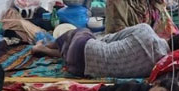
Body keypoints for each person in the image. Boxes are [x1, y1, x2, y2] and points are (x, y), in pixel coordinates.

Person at [32, 24, 171, 78]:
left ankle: (46, 46)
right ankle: (45, 50)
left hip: (82, 50)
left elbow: (110, 38)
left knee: (82, 32)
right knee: (75, 50)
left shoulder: (145, 30)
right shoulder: (160, 66)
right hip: (79, 69)